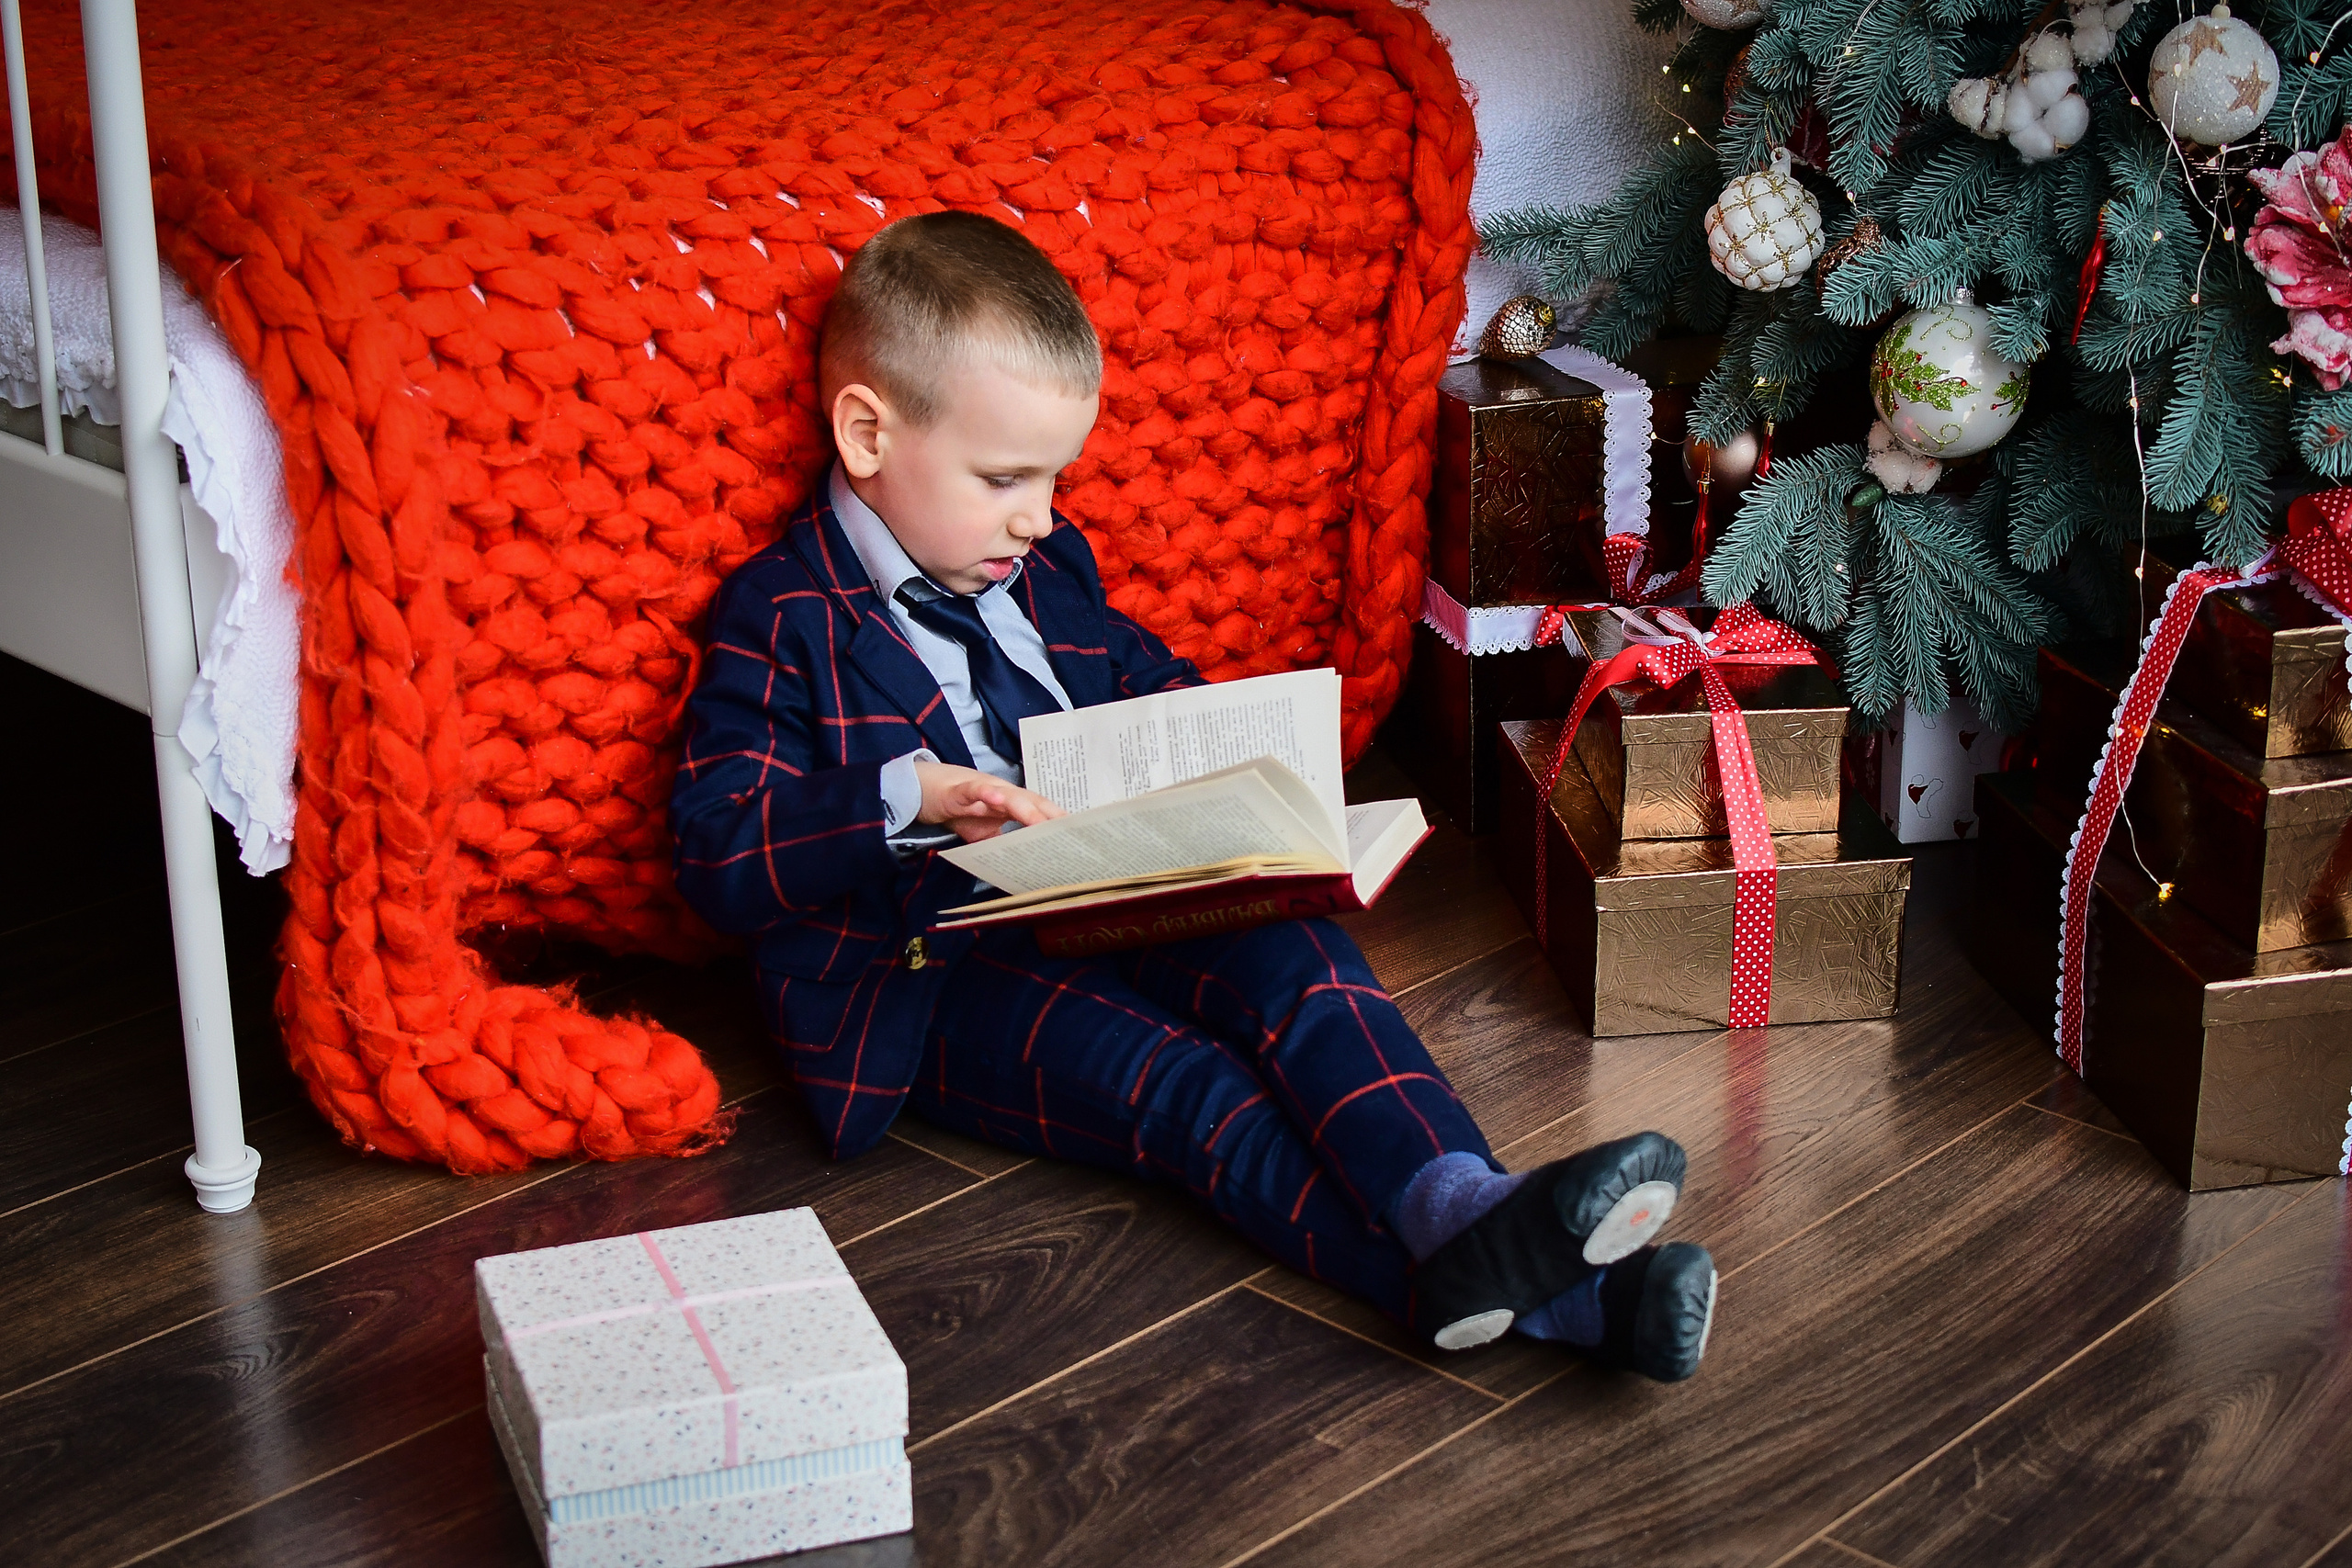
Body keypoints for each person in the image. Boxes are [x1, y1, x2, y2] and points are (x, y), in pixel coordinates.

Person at [670, 211, 1716, 1378]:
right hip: (936, 973)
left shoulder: (1041, 565)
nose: (1041, 517)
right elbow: (717, 855)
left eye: (1055, 478)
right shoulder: (779, 616)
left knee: (1302, 962)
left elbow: (1139, 677)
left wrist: (1233, 754)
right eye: (1006, 478)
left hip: (1107, 886)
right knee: (1179, 1088)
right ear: (866, 433)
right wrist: (901, 796)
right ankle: (1553, 1297)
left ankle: (1457, 1198)